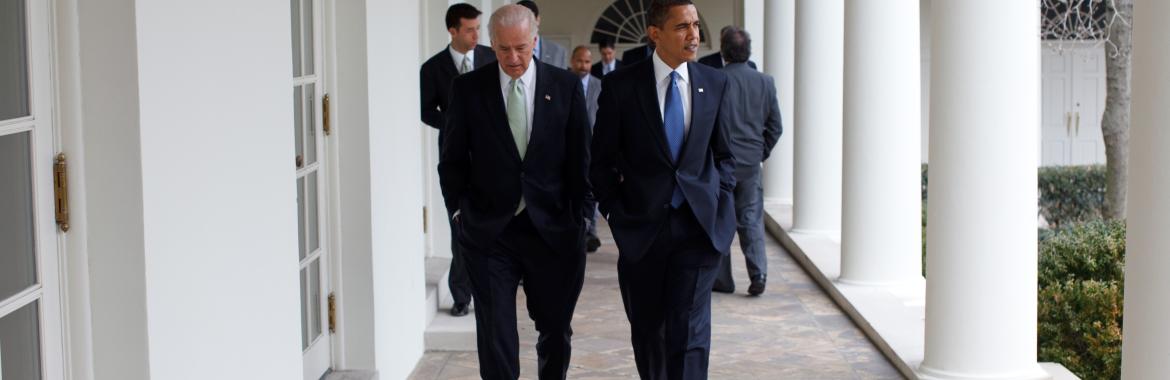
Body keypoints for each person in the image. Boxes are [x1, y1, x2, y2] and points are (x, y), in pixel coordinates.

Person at [439, 4, 591, 379]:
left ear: (535, 40)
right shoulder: (468, 89)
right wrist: (458, 214)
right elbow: (452, 160)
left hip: (553, 230)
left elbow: (581, 160)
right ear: (491, 44)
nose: (513, 57)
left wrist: (583, 217)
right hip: (491, 232)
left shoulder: (566, 86)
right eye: (504, 49)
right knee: (496, 335)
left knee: (555, 330)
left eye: (521, 47)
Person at [590, 1, 736, 378]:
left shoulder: (715, 82)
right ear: (655, 34)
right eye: (682, 27)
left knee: (690, 334)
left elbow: (724, 156)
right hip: (642, 232)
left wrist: (723, 206)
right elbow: (601, 162)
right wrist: (615, 215)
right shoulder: (621, 86)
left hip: (698, 228)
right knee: (649, 334)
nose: (694, 35)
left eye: (696, 26)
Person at [418, 2, 497, 317]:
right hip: (455, 159)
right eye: (470, 29)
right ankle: (462, 295)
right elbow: (425, 110)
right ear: (453, 31)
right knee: (460, 224)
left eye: (478, 28)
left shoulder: (493, 59)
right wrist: (452, 124)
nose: (476, 34)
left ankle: (494, 290)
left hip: (495, 157)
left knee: (496, 224)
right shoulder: (432, 68)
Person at [711, 27, 782, 296]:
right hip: (751, 163)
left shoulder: (715, 80)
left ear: (723, 50)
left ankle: (723, 279)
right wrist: (760, 152)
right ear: (748, 51)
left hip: (721, 164)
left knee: (721, 220)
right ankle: (758, 273)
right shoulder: (765, 82)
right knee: (751, 219)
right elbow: (776, 126)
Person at [569, 45, 603, 252]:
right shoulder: (563, 82)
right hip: (570, 145)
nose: (583, 66)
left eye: (587, 62)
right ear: (572, 61)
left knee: (592, 190)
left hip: (592, 147)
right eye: (580, 61)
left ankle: (590, 231)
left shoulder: (599, 85)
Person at [516, 0, 567, 69]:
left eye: (529, 20)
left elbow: (561, 79)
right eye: (520, 20)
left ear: (538, 20)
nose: (525, 25)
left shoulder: (558, 52)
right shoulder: (502, 51)